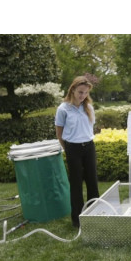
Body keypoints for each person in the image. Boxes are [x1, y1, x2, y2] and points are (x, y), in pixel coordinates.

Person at [55, 76, 99, 228]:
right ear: (72, 90)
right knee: (76, 184)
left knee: (92, 181)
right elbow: (59, 134)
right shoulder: (63, 109)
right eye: (80, 92)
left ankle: (95, 215)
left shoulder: (88, 107)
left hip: (89, 147)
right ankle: (78, 220)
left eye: (85, 93)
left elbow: (89, 129)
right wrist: (68, 148)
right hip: (72, 148)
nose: (82, 96)